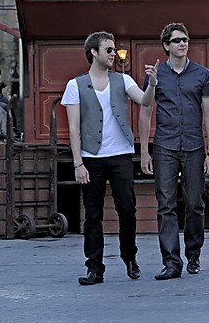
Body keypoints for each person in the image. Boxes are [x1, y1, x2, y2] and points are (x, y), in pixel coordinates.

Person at [62, 31, 159, 285]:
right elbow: (73, 128)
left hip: (121, 155)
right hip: (91, 157)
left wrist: (152, 83)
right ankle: (94, 268)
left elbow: (144, 101)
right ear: (94, 52)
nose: (113, 54)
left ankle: (130, 257)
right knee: (93, 215)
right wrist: (78, 163)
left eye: (114, 49)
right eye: (108, 49)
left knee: (127, 209)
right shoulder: (75, 85)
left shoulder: (123, 79)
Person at [139, 23, 209, 280]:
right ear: (166, 45)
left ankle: (193, 254)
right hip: (165, 146)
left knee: (195, 203)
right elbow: (145, 111)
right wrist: (144, 151)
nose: (183, 43)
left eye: (185, 39)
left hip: (194, 146)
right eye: (177, 40)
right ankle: (171, 262)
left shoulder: (202, 74)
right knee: (166, 205)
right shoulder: (156, 74)